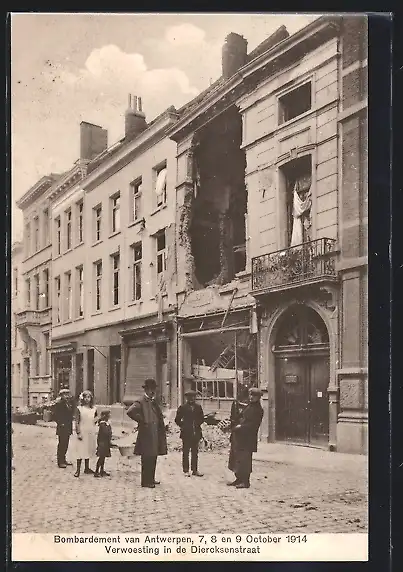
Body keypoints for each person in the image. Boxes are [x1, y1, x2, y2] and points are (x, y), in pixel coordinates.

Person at [126, 378, 167, 488]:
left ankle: (151, 478)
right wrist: (142, 420)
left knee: (153, 456)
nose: (152, 391)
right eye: (150, 389)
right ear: (146, 390)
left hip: (155, 433)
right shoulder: (141, 401)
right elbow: (130, 411)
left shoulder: (153, 401)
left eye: (154, 389)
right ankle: (145, 481)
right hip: (146, 434)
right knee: (146, 457)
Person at [227, 387, 264, 489]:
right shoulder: (249, 406)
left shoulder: (258, 410)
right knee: (237, 459)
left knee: (245, 460)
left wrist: (241, 427)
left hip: (247, 438)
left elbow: (253, 425)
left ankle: (245, 482)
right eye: (250, 395)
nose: (251, 397)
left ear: (258, 398)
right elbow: (241, 416)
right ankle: (238, 479)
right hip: (239, 437)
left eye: (254, 396)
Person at [175, 389, 205, 477]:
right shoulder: (182, 407)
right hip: (186, 433)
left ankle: (195, 470)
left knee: (195, 452)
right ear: (187, 398)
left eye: (193, 397)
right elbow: (177, 420)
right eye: (189, 397)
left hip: (196, 432)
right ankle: (186, 470)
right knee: (186, 452)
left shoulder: (198, 407)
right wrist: (183, 426)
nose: (192, 399)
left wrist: (196, 424)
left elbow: (202, 418)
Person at [72, 390, 98, 478]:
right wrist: (78, 432)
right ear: (83, 398)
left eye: (89, 397)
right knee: (80, 450)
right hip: (82, 430)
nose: (87, 399)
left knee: (88, 449)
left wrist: (99, 419)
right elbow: (77, 421)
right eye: (86, 397)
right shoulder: (80, 408)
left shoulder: (94, 409)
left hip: (90, 431)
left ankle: (87, 468)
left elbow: (94, 420)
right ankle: (78, 470)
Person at [228, 385, 250, 480]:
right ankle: (238, 477)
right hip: (236, 433)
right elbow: (232, 417)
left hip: (244, 435)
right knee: (235, 456)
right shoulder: (235, 403)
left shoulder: (250, 406)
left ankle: (243, 479)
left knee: (243, 457)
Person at [53, 388, 74, 468]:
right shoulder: (59, 403)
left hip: (68, 426)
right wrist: (60, 423)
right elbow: (55, 415)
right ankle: (60, 461)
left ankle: (64, 459)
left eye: (68, 394)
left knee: (66, 444)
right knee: (62, 444)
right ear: (61, 395)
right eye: (65, 394)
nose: (67, 396)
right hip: (62, 427)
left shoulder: (69, 403)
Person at [94, 410, 112, 478]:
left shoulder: (106, 423)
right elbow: (106, 432)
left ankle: (102, 470)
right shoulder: (102, 424)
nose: (110, 416)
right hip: (102, 443)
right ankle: (96, 471)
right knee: (101, 457)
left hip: (106, 442)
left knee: (103, 457)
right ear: (105, 416)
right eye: (109, 414)